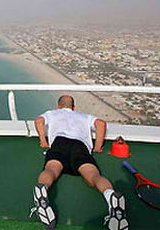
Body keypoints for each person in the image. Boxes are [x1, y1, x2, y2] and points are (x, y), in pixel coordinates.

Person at [30, 95, 128, 230]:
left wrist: (43, 140)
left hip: (60, 142)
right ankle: (110, 195)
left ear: (58, 106)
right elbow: (101, 123)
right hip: (80, 146)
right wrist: (98, 146)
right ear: (73, 107)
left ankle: (42, 190)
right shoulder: (84, 116)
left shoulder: (52, 113)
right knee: (93, 176)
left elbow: (39, 121)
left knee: (51, 170)